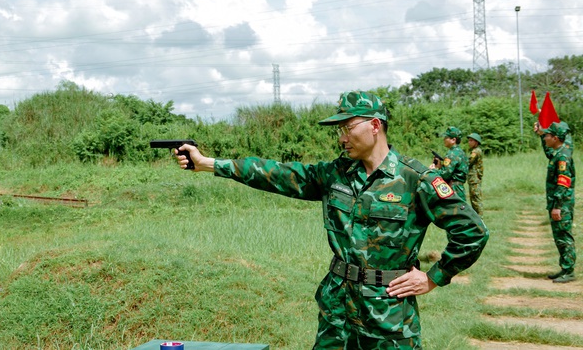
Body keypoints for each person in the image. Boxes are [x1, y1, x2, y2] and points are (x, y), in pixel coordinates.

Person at [173, 90, 489, 349]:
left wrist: (433, 278)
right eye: (340, 130)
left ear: (375, 126)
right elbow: (275, 173)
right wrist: (208, 164)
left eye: (348, 127)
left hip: (389, 317)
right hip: (337, 309)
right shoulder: (334, 174)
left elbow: (472, 232)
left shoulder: (415, 178)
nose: (342, 137)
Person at [534, 121, 576, 283]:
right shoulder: (559, 152)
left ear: (556, 138)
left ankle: (569, 270)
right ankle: (565, 267)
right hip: (556, 202)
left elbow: (563, 181)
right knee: (559, 236)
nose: (545, 138)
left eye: (548, 136)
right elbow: (549, 154)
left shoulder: (563, 156)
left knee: (564, 236)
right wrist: (540, 135)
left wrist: (557, 206)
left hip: (561, 203)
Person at [430, 127, 470, 203]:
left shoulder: (452, 154)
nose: (444, 139)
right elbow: (455, 171)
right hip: (458, 187)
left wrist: (433, 170)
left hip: (453, 188)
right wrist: (440, 166)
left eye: (446, 137)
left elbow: (445, 175)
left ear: (453, 140)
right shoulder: (460, 152)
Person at [467, 133, 484, 216]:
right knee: (474, 199)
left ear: (476, 142)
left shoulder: (475, 152)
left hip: (474, 179)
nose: (469, 142)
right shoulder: (475, 151)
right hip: (473, 179)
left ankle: (480, 218)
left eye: (471, 141)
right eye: (468, 140)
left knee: (476, 199)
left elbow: (468, 162)